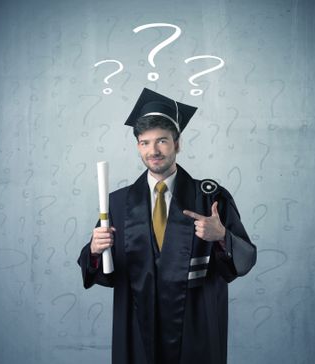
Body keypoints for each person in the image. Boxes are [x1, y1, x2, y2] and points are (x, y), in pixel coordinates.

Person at [78, 88, 256, 364]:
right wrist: (94, 250)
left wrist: (221, 236)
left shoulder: (210, 197)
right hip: (137, 325)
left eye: (162, 141)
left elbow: (245, 258)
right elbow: (106, 274)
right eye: (145, 143)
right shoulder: (118, 203)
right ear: (138, 146)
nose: (154, 150)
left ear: (177, 144)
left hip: (194, 327)